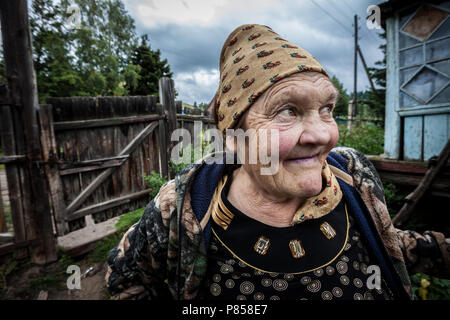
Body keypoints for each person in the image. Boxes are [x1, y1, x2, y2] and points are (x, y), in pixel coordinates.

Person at [105, 24, 449, 300]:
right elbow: (125, 280)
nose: (323, 135)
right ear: (234, 137)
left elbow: (387, 239)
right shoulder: (182, 207)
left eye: (327, 108)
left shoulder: (352, 175)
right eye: (288, 111)